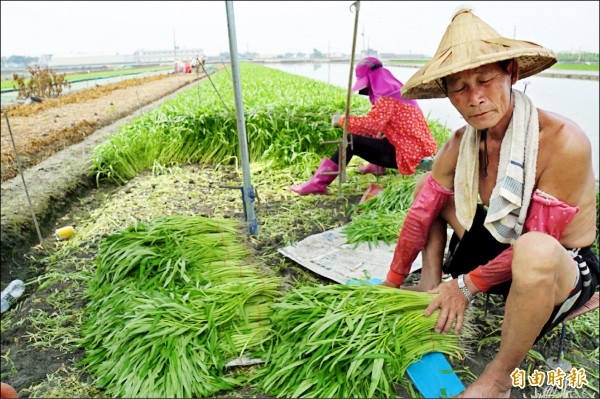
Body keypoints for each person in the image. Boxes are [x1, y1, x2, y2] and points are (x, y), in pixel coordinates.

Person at [379, 8, 599, 398]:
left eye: (485, 80)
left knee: (534, 249)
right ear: (447, 92)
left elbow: (538, 241)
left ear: (511, 73)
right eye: (459, 87)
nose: (475, 99)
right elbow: (419, 215)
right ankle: (430, 284)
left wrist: (464, 287)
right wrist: (392, 282)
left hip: (558, 264)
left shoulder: (564, 141)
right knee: (427, 192)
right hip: (499, 248)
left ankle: (497, 382)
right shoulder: (461, 143)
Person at [289, 57, 438, 195]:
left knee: (350, 141)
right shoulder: (396, 93)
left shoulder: (387, 99)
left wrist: (343, 120)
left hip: (408, 155)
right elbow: (395, 125)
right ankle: (378, 166)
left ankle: (318, 184)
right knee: (370, 133)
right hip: (415, 149)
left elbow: (370, 125)